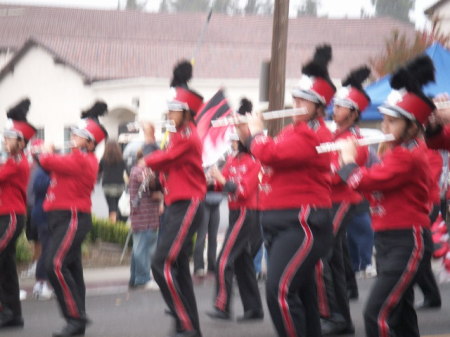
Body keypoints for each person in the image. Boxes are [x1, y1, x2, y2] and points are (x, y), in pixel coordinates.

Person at [236, 45, 335, 337]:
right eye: (295, 97)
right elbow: (268, 153)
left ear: (318, 107)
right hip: (279, 222)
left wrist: (255, 134)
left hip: (301, 223)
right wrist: (247, 136)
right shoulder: (293, 131)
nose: (295, 102)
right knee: (301, 297)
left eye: (303, 100)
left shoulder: (315, 134)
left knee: (279, 293)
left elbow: (270, 154)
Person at [338, 55, 435, 337]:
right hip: (389, 237)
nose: (384, 128)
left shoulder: (407, 156)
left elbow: (363, 181)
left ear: (413, 126)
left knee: (375, 314)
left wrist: (347, 161)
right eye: (385, 121)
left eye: (392, 122)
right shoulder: (397, 152)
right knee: (401, 316)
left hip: (407, 239)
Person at [144, 60, 206, 337]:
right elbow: (168, 166)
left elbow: (163, 158)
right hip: (175, 203)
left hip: (188, 203)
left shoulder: (188, 135)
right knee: (178, 268)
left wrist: (148, 142)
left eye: (173, 110)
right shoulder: (178, 134)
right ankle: (189, 325)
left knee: (161, 263)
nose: (168, 114)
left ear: (186, 112)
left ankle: (185, 323)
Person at [36, 101, 108, 337]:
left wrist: (44, 148)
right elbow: (50, 167)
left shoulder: (82, 159)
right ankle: (78, 319)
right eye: (74, 134)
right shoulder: (74, 158)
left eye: (79, 136)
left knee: (54, 265)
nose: (74, 138)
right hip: (61, 217)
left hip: (72, 217)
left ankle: (75, 317)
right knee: (73, 270)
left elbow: (47, 161)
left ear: (90, 142)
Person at [318, 66, 371, 335]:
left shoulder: (355, 139)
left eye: (340, 106)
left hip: (343, 200)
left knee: (323, 257)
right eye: (335, 104)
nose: (334, 108)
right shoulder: (335, 135)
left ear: (352, 113)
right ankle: (342, 318)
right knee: (334, 261)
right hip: (330, 200)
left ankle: (332, 314)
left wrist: (316, 178)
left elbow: (340, 174)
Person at [206, 98, 264, 322]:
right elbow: (222, 184)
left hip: (246, 213)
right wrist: (211, 179)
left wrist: (221, 179)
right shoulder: (234, 159)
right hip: (235, 212)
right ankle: (254, 308)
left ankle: (222, 306)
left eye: (235, 139)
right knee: (242, 262)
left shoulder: (254, 160)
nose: (232, 142)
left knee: (224, 260)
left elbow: (243, 191)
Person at [0, 98, 36, 329]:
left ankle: (8, 311)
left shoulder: (17, 163)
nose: (5, 141)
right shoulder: (11, 161)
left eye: (9, 138)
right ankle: (12, 314)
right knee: (6, 266)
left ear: (21, 143)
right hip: (6, 216)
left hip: (11, 217)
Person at [128, 148, 161, 289]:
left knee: (139, 248)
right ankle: (143, 278)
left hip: (143, 217)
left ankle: (135, 278)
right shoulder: (140, 171)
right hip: (144, 218)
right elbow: (152, 185)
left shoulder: (135, 170)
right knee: (143, 249)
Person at [31, 142, 54, 300]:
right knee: (46, 250)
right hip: (43, 215)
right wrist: (54, 180)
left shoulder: (44, 171)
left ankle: (45, 283)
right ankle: (40, 283)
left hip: (47, 215)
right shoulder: (41, 172)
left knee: (49, 250)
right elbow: (38, 188)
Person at [99, 140, 127, 223]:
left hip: (107, 186)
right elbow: (127, 171)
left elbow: (98, 171)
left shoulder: (103, 159)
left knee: (112, 207)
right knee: (118, 206)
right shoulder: (122, 160)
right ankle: (119, 225)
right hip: (120, 186)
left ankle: (113, 227)